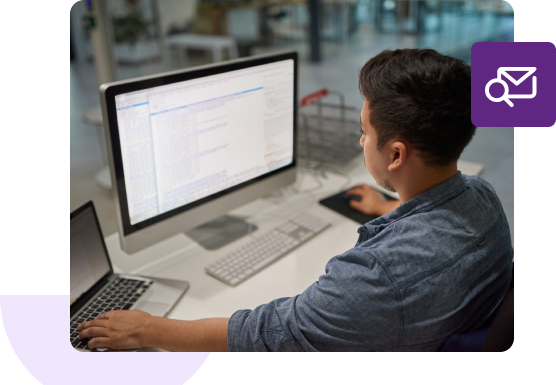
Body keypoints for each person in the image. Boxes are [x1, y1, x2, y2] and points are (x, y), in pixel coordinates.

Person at [77, 49, 514, 352]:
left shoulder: (374, 278)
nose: (359, 140)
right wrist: (391, 210)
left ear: (396, 154)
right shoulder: (484, 197)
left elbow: (269, 334)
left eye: (365, 131)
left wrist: (150, 329)